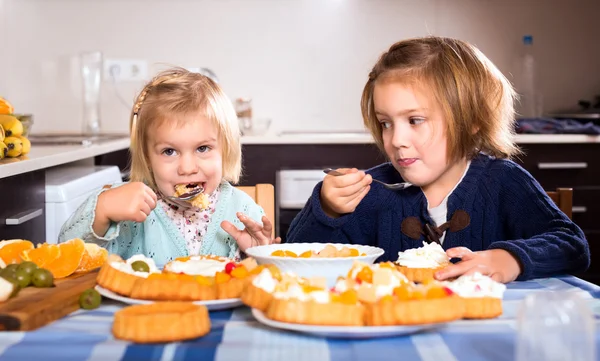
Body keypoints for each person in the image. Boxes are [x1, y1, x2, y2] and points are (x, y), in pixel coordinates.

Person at [286, 36, 590, 282]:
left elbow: (572, 244)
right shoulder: (372, 194)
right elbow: (295, 262)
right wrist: (326, 210)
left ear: (472, 119)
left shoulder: (503, 181)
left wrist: (510, 258)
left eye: (415, 120)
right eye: (386, 123)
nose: (396, 140)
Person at [59, 67, 280, 265]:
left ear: (226, 149)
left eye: (202, 148)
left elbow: (266, 283)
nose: (187, 168)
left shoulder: (245, 211)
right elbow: (67, 256)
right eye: (169, 151)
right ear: (147, 158)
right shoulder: (131, 209)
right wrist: (103, 211)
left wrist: (258, 255)